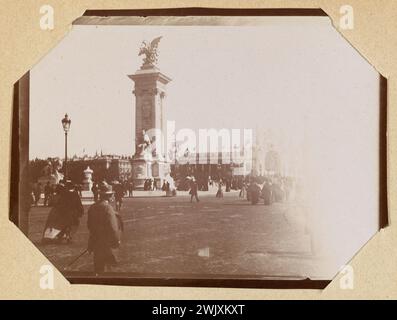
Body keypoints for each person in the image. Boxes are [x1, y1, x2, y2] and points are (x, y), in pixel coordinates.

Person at [87, 182, 122, 275]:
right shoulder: (108, 208)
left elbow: (89, 225)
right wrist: (117, 240)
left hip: (95, 241)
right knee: (109, 269)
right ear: (109, 196)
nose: (113, 197)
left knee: (98, 267)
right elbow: (113, 228)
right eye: (112, 195)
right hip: (107, 243)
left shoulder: (92, 207)